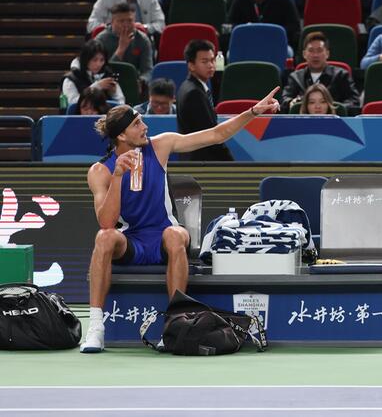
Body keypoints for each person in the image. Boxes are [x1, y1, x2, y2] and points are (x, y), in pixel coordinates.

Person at [78, 85, 279, 352]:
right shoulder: (100, 171)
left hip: (164, 233)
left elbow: (217, 135)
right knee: (103, 238)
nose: (145, 127)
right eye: (137, 124)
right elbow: (106, 222)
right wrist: (117, 178)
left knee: (175, 235)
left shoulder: (161, 146)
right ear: (122, 135)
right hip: (133, 241)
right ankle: (96, 328)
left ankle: (175, 324)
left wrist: (253, 112)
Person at [175, 39, 235, 161]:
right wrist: (230, 164)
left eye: (212, 60)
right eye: (204, 61)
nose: (210, 65)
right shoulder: (194, 93)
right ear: (191, 65)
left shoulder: (188, 87)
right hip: (201, 164)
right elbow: (211, 136)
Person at [280, 31, 360, 111]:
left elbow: (354, 101)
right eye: (311, 50)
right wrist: (292, 103)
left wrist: (332, 108)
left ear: (327, 53)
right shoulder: (296, 77)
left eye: (319, 50)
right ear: (304, 54)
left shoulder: (341, 75)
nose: (315, 55)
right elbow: (284, 99)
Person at [228, 0, 301, 50]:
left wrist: (273, 31)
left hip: (276, 43)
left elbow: (295, 27)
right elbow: (228, 26)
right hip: (247, 43)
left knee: (288, 52)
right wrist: (243, 28)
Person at [95, 3, 154, 85]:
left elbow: (148, 70)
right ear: (112, 22)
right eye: (121, 21)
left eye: (130, 20)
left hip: (134, 82)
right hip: (107, 82)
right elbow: (99, 71)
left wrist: (141, 81)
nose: (126, 25)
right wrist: (121, 49)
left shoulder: (143, 40)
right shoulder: (101, 40)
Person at [61, 40, 124, 108]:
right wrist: (97, 87)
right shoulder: (71, 79)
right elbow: (72, 104)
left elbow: (121, 102)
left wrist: (113, 94)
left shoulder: (108, 74)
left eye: (102, 60)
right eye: (94, 60)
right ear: (86, 59)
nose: (98, 64)